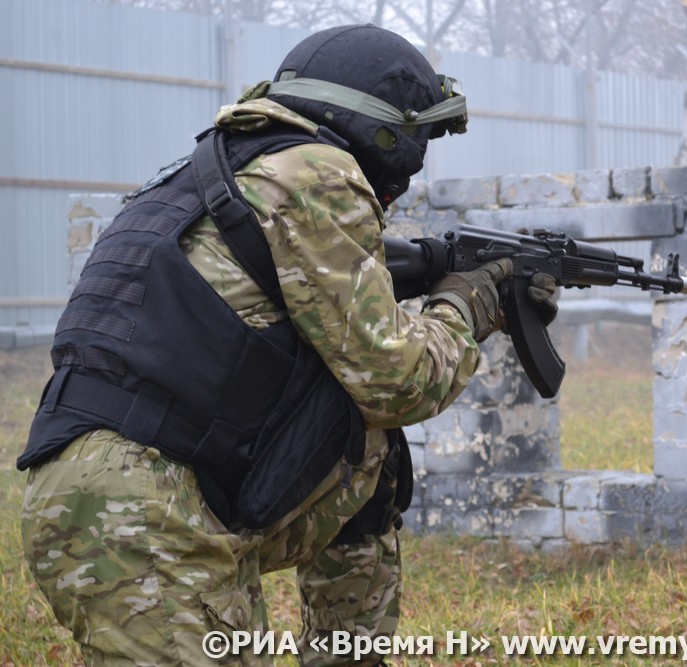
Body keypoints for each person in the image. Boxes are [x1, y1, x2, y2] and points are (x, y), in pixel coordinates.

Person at [18, 25, 556, 666]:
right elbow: (398, 381)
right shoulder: (315, 172)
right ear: (383, 131)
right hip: (148, 517)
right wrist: (472, 303)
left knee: (370, 457)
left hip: (120, 492)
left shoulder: (212, 170)